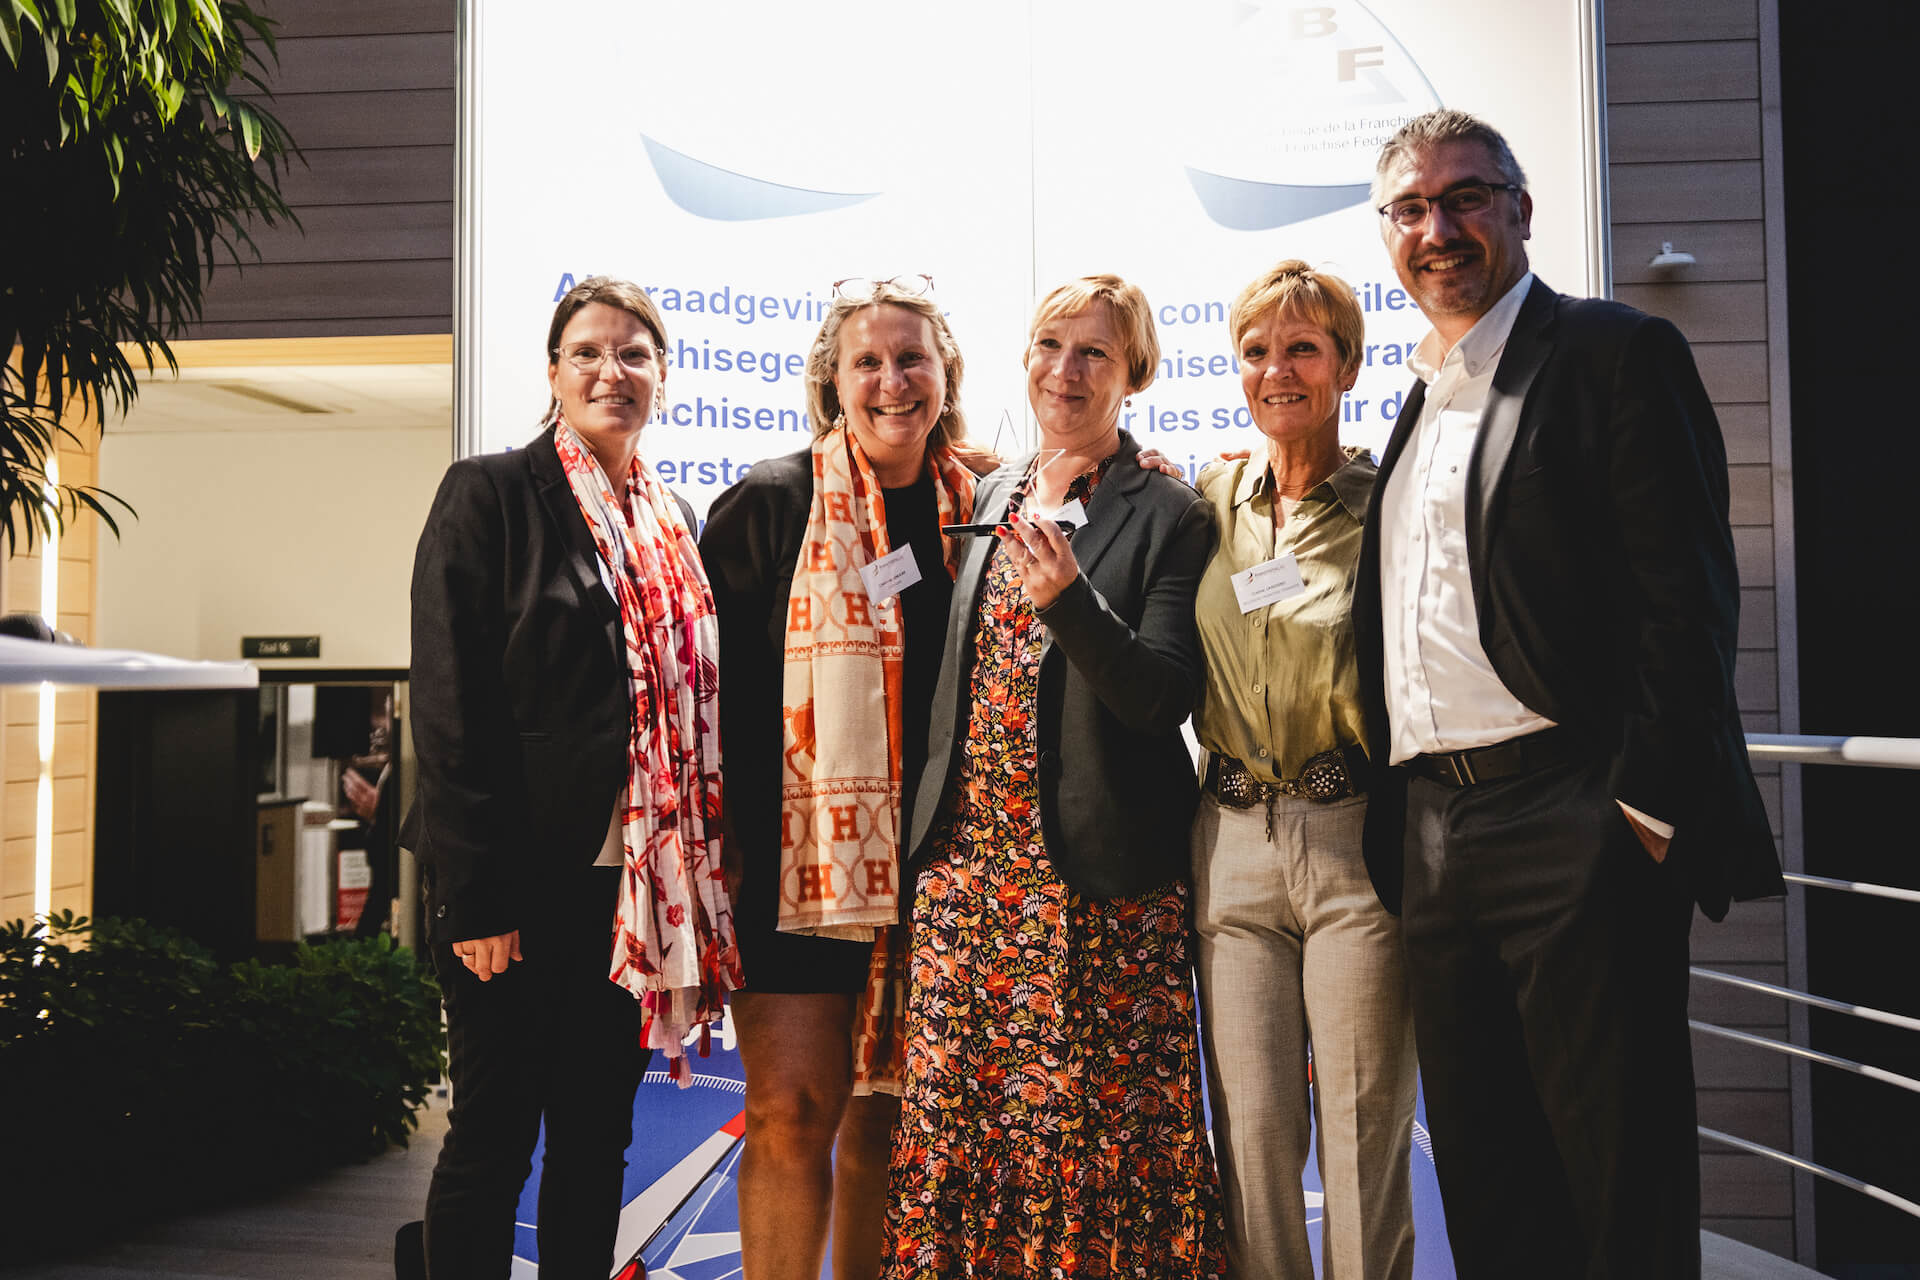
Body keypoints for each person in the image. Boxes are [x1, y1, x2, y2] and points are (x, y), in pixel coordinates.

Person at [1352, 111, 1783, 1278]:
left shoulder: (1611, 354)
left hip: (1576, 819)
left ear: (1521, 209)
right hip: (1437, 833)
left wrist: (1639, 805)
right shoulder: (1420, 398)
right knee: (1490, 1172)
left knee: (1616, 1171)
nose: (1438, 229)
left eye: (1466, 197)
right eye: (1410, 208)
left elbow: (1686, 602)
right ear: (1386, 231)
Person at [884, 274, 1226, 1277]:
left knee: (1093, 1144)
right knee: (961, 1137)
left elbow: (1162, 695)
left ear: (1135, 375)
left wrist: (1070, 599)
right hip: (964, 876)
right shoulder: (988, 494)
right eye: (1049, 345)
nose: (1065, 370)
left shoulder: (1169, 510)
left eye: (1095, 354)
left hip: (1097, 887)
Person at [405, 276, 738, 1279]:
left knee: (597, 1143)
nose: (612, 370)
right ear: (554, 372)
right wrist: (478, 898)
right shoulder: (492, 494)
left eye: (635, 353)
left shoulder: (671, 518)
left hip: (631, 897)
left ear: (663, 378)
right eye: (589, 351)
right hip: (515, 890)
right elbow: (451, 704)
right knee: (494, 1138)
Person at [700, 275, 978, 1280]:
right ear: (833, 380)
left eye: (912, 358)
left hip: (941, 869)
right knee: (791, 1111)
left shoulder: (979, 507)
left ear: (946, 373)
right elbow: (709, 700)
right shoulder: (771, 502)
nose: (892, 381)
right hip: (796, 869)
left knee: (886, 1126)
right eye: (868, 360)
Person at [1190, 259, 1416, 1279]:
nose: (1276, 369)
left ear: (1347, 366)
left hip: (1350, 838)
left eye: (1302, 348)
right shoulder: (1208, 497)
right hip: (1230, 842)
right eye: (1256, 351)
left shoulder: (1389, 506)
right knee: (1252, 1129)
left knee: (1362, 1127)